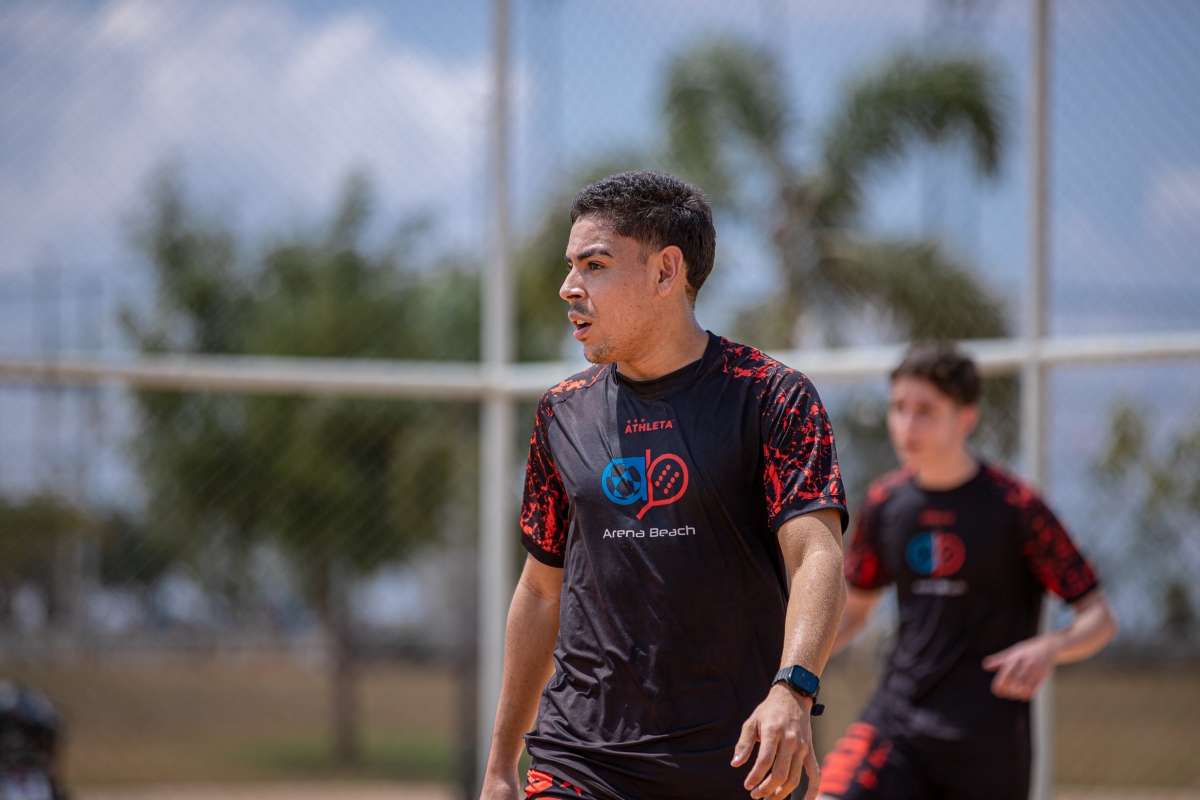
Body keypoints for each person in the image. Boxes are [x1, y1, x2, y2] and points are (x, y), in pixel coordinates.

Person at [479, 171, 849, 800]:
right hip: (581, 758)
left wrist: (793, 689)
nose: (569, 287)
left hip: (737, 762)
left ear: (665, 272)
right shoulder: (561, 412)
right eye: (570, 266)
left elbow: (817, 554)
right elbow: (541, 591)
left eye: (595, 265)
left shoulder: (772, 397)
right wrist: (499, 766)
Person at [817, 343, 1119, 800]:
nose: (907, 425)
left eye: (925, 411)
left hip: (987, 746)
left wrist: (1051, 648)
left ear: (966, 419)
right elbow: (853, 613)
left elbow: (1100, 618)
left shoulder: (1016, 507)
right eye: (898, 408)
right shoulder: (885, 503)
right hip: (896, 725)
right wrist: (788, 668)